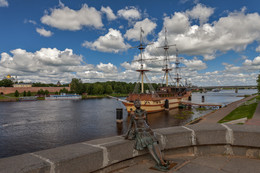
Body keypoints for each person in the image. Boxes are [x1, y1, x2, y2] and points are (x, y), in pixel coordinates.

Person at [125, 100, 170, 171]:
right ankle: (158, 162)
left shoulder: (145, 112)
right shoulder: (132, 113)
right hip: (140, 131)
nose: (137, 104)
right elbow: (131, 124)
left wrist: (149, 129)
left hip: (147, 129)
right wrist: (127, 134)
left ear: (140, 104)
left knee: (155, 143)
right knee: (149, 145)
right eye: (136, 103)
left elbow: (147, 122)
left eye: (138, 103)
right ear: (134, 105)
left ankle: (161, 160)